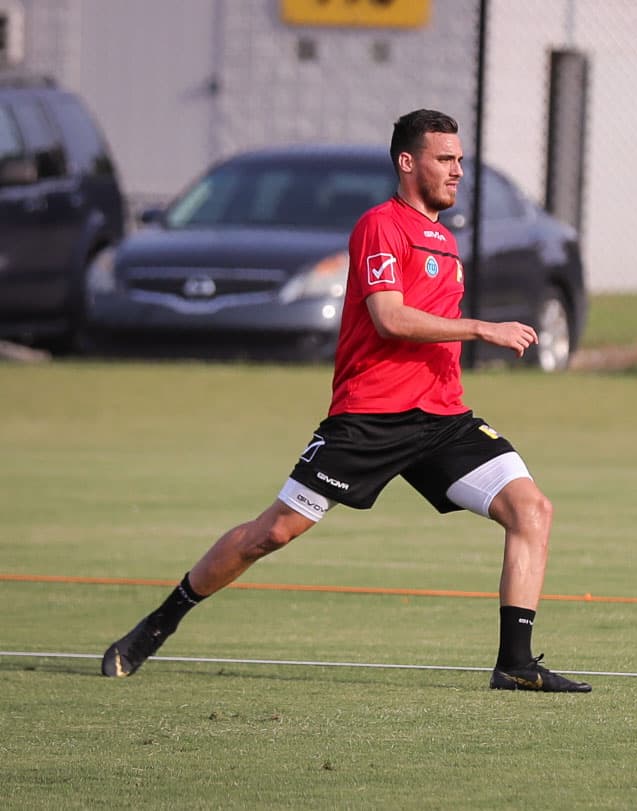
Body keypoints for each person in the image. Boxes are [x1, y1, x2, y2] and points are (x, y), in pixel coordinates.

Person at [101, 109, 591, 693]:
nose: (458, 171)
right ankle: (159, 623)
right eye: (445, 159)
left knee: (531, 510)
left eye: (460, 159)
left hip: (441, 419)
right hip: (370, 418)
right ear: (408, 162)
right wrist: (480, 328)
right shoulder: (380, 226)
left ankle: (515, 664)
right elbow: (389, 318)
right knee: (272, 533)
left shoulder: (445, 237)